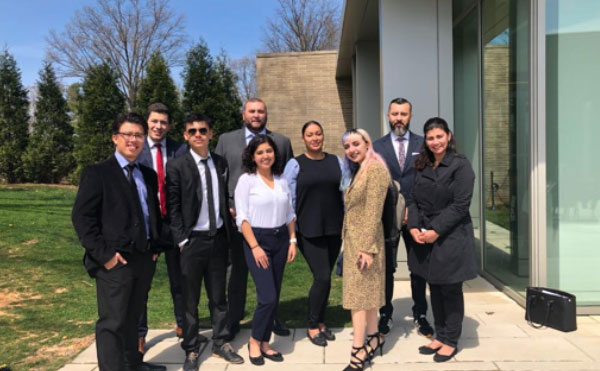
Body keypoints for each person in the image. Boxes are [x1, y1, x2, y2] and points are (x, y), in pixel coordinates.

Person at [72, 112, 166, 371]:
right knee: (112, 322)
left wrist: (155, 246)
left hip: (143, 259)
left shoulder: (146, 174)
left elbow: (152, 213)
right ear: (115, 138)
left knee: (132, 318)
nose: (134, 140)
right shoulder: (97, 173)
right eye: (128, 135)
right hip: (115, 262)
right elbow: (82, 219)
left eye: (139, 135)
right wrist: (105, 256)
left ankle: (132, 365)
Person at [166, 113, 244, 370]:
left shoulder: (220, 162)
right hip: (192, 242)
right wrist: (182, 240)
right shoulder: (177, 166)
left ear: (211, 134)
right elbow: (173, 207)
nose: (198, 134)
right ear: (185, 136)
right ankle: (191, 347)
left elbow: (222, 196)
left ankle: (220, 341)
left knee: (218, 296)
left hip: (219, 239)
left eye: (203, 130)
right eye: (192, 131)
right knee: (190, 299)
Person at [215, 98, 294, 340]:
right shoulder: (226, 140)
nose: (256, 115)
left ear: (266, 114)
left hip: (270, 219)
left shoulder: (281, 141)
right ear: (243, 115)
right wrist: (227, 206)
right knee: (237, 272)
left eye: (261, 111)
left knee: (273, 275)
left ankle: (272, 318)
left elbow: (286, 177)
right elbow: (218, 176)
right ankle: (234, 319)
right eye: (252, 111)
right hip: (235, 218)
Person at [407, 117, 477, 362]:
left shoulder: (461, 166)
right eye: (430, 138)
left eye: (439, 136)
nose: (435, 142)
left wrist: (436, 230)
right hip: (425, 236)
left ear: (448, 136)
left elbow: (460, 206)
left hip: (450, 235)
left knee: (450, 288)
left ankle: (451, 340)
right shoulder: (422, 164)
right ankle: (440, 334)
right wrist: (414, 226)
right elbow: (412, 199)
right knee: (433, 286)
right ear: (425, 141)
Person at [372, 98, 433, 337]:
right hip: (387, 218)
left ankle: (420, 314)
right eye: (395, 113)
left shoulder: (423, 144)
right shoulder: (376, 147)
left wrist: (413, 210)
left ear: (411, 116)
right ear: (388, 115)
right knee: (386, 267)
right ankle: (385, 313)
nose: (399, 118)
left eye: (404, 114)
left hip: (416, 218)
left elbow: (427, 180)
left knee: (418, 267)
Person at [234, 135, 297, 366]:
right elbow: (242, 218)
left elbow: (290, 213)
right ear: (252, 156)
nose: (265, 156)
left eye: (268, 151)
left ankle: (265, 342)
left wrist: (292, 240)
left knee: (275, 295)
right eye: (259, 152)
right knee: (267, 297)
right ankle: (254, 340)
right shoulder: (246, 181)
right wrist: (255, 247)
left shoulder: (281, 180)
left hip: (280, 240)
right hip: (256, 241)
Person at [283, 120, 344, 347]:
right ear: (303, 139)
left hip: (334, 229)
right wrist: (292, 233)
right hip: (309, 230)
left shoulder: (336, 161)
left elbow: (344, 192)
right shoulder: (295, 165)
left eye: (318, 134)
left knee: (325, 278)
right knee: (323, 277)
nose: (315, 138)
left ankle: (321, 322)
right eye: (310, 135)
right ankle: (311, 325)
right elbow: (289, 200)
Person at [136, 103, 188, 354]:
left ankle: (183, 324)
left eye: (163, 122)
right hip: (148, 225)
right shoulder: (136, 149)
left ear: (169, 125)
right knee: (142, 282)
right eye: (154, 121)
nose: (158, 126)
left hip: (175, 223)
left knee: (181, 279)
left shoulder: (180, 149)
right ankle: (139, 334)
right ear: (147, 122)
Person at [340, 128, 390, 370]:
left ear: (367, 143)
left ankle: (358, 350)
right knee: (366, 296)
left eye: (356, 144)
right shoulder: (360, 170)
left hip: (365, 244)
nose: (351, 150)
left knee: (357, 299)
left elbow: (373, 211)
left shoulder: (376, 169)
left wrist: (368, 249)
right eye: (347, 146)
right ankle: (374, 336)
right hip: (355, 242)